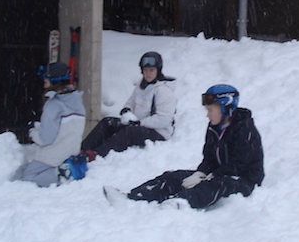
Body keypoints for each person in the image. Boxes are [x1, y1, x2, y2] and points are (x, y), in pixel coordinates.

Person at [104, 84, 264, 210]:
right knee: (175, 177)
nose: (207, 115)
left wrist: (210, 176)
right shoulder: (214, 128)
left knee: (215, 185)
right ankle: (134, 197)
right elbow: (209, 157)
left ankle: (180, 203)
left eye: (211, 110)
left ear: (226, 108)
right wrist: (201, 173)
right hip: (217, 174)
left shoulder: (245, 129)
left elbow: (238, 165)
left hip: (243, 180)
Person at [80, 52, 176, 159]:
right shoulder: (142, 86)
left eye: (151, 70)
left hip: (158, 132)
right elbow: (131, 102)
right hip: (138, 125)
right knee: (108, 122)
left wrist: (141, 123)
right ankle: (82, 149)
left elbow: (163, 119)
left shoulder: (163, 91)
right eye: (145, 70)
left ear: (158, 70)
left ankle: (95, 156)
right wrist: (127, 110)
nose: (148, 73)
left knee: (128, 133)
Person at [18, 62, 86, 187]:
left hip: (53, 156)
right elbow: (63, 128)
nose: (44, 85)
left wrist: (31, 132)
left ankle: (61, 174)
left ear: (54, 81)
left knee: (27, 179)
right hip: (71, 152)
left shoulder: (53, 104)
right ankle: (66, 169)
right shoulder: (77, 102)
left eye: (46, 81)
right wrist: (38, 126)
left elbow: (45, 139)